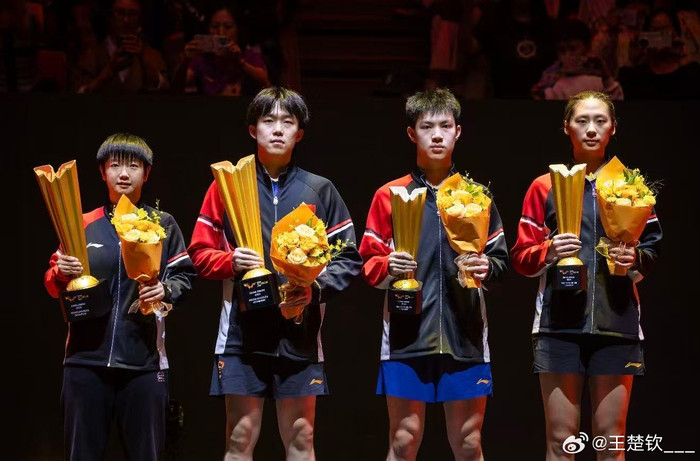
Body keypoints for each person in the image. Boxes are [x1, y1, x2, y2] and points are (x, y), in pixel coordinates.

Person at [188, 87, 362, 461]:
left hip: (300, 336)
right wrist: (230, 261)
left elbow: (348, 257)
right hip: (241, 336)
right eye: (268, 121)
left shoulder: (320, 189)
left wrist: (315, 289)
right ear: (253, 130)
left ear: (300, 133)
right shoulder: (226, 187)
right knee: (239, 439)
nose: (278, 129)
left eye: (288, 121)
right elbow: (199, 254)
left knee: (301, 439)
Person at [510, 90, 662, 460]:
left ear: (613, 127)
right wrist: (549, 251)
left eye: (600, 121)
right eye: (582, 121)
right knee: (561, 441)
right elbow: (521, 257)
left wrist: (633, 258)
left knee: (611, 441)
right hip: (558, 327)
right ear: (567, 127)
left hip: (617, 325)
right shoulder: (544, 185)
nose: (591, 129)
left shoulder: (633, 187)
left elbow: (652, 251)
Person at [358, 88, 509, 461]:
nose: (437, 135)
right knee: (403, 440)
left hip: (466, 334)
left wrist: (487, 267)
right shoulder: (390, 195)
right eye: (427, 127)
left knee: (469, 443)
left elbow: (501, 261)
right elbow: (367, 263)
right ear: (412, 133)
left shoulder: (477, 196)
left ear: (458, 132)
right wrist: (387, 266)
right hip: (406, 335)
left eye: (445, 126)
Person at [44, 133, 196, 461]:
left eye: (134, 166)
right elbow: (52, 284)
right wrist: (60, 272)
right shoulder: (80, 224)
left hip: (144, 365)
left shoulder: (163, 225)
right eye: (115, 165)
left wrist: (166, 290)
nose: (124, 173)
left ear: (147, 172)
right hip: (84, 363)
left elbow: (185, 277)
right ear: (102, 172)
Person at [72, 0, 168, 93]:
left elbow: (163, 90)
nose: (126, 20)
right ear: (110, 17)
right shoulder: (91, 55)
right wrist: (108, 72)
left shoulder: (153, 55)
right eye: (120, 13)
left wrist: (144, 61)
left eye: (133, 14)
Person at [173, 5, 269, 96]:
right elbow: (176, 88)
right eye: (215, 27)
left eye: (228, 27)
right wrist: (185, 60)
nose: (221, 33)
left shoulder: (249, 56)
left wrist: (240, 62)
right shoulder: (201, 59)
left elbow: (265, 83)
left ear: (238, 30)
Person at [531, 18, 623, 100]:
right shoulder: (551, 78)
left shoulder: (599, 76)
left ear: (587, 48)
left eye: (573, 49)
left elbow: (616, 100)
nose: (567, 55)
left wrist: (606, 78)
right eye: (562, 50)